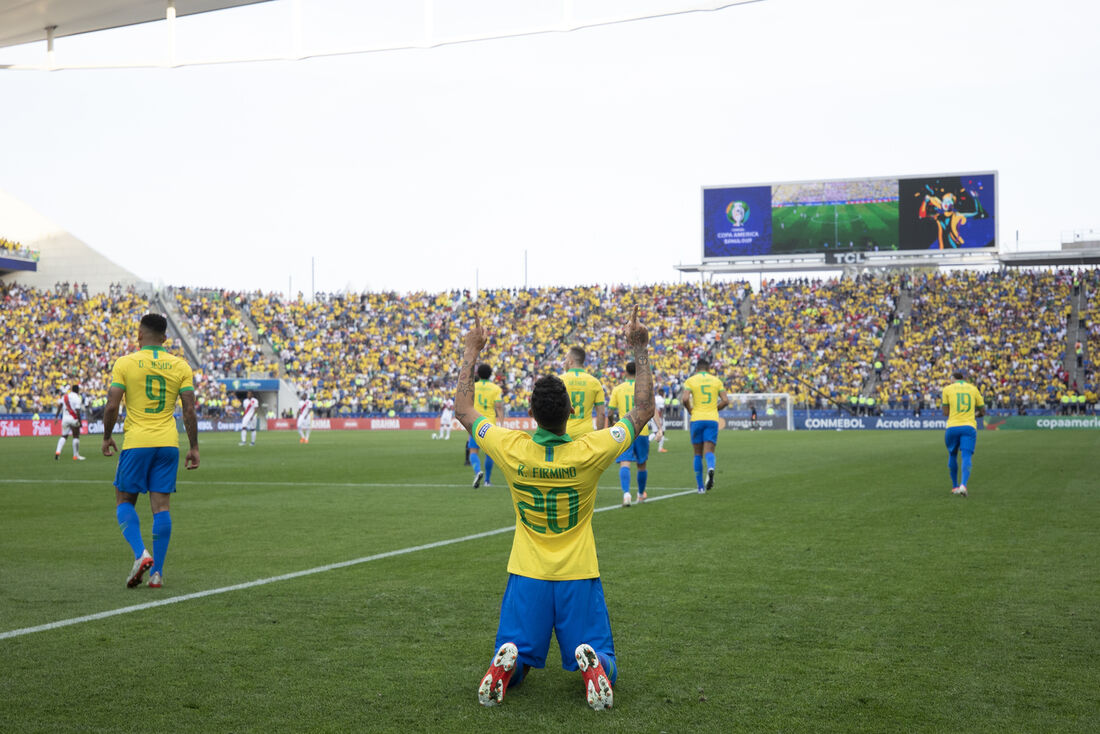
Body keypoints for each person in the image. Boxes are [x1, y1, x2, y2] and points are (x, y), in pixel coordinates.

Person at [458, 308, 653, 711]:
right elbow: (643, 410)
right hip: (576, 574)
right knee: (601, 654)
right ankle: (595, 667)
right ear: (570, 413)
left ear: (532, 415)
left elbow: (463, 409)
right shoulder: (590, 450)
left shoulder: (511, 447)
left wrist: (470, 351)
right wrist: (639, 348)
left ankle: (509, 662)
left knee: (517, 650)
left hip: (527, 573)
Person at [102, 314, 199, 589]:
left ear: (139, 335)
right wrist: (193, 447)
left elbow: (112, 406)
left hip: (136, 442)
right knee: (162, 507)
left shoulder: (125, 363)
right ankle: (157, 573)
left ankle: (140, 553)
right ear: (165, 338)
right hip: (168, 443)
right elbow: (189, 410)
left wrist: (107, 436)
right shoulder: (180, 366)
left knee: (124, 500)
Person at [608, 361, 662, 505]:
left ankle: (626, 494)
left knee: (624, 463)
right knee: (642, 464)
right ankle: (640, 494)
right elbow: (652, 410)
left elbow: (610, 411)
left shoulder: (618, 389)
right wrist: (659, 428)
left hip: (624, 431)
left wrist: (612, 422)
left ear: (626, 373)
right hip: (642, 431)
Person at [681, 357, 729, 493]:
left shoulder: (691, 380)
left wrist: (690, 410)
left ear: (697, 369)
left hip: (697, 418)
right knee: (709, 451)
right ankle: (711, 468)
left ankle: (700, 487)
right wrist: (715, 409)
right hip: (712, 419)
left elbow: (684, 398)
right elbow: (725, 400)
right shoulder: (717, 381)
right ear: (709, 369)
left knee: (697, 453)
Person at [941, 369, 985, 498]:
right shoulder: (973, 388)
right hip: (969, 426)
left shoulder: (947, 389)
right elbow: (982, 411)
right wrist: (973, 414)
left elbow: (945, 412)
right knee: (966, 456)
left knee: (952, 454)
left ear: (954, 379)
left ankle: (954, 486)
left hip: (952, 426)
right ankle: (963, 485)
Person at [467, 364, 504, 487]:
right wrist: (502, 423)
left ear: (478, 374)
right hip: (489, 423)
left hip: (475, 422)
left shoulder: (473, 386)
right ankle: (487, 481)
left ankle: (478, 471)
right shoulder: (495, 388)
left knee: (473, 451)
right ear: (490, 374)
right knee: (490, 453)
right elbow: (498, 407)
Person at [560, 346, 606, 438]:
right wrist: (598, 436)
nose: (564, 362)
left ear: (570, 361)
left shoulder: (559, 381)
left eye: (565, 358)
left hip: (563, 433)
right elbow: (601, 413)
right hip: (586, 434)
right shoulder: (595, 382)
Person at [54, 384, 86, 461]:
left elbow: (60, 406)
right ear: (77, 390)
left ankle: (58, 452)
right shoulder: (77, 398)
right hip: (73, 419)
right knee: (76, 436)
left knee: (64, 436)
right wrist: (80, 421)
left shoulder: (65, 396)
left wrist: (56, 417)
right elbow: (77, 411)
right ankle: (76, 455)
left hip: (64, 419)